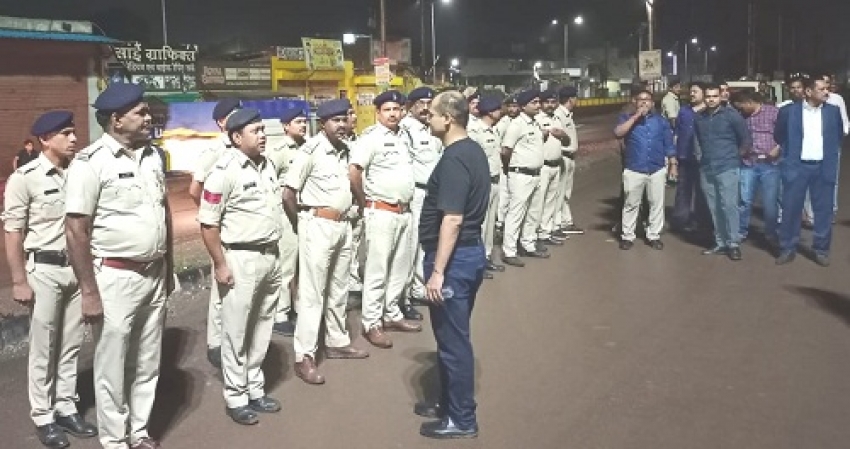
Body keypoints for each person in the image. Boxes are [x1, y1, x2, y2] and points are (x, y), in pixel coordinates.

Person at [65, 82, 174, 449]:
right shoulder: (90, 163)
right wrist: (89, 292)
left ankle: (138, 432)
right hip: (114, 276)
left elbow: (164, 213)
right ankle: (114, 440)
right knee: (112, 364)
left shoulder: (153, 156)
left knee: (147, 360)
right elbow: (76, 230)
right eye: (140, 112)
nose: (148, 117)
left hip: (154, 274)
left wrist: (168, 268)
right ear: (116, 120)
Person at [3, 111, 98, 448]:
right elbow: (13, 231)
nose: (74, 138)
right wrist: (19, 280)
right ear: (45, 139)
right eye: (65, 133)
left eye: (74, 132)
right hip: (44, 271)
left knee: (71, 343)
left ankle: (66, 406)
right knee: (44, 346)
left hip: (78, 269)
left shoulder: (81, 173)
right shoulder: (25, 178)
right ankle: (43, 415)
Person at [197, 108, 284, 425]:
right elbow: (208, 224)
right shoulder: (223, 171)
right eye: (255, 131)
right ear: (236, 137)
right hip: (240, 258)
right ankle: (236, 396)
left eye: (263, 130)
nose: (262, 136)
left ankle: (255, 388)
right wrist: (220, 264)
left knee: (262, 325)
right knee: (236, 331)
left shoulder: (267, 165)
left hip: (270, 255)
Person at [416, 90, 489, 439]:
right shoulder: (472, 151)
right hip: (466, 256)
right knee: (450, 337)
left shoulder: (455, 159)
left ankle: (461, 419)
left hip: (454, 261)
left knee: (453, 343)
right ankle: (447, 403)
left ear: (447, 119)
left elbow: (453, 219)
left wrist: (438, 272)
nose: (427, 118)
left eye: (431, 113)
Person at [285, 99, 369, 385]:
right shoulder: (310, 150)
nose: (342, 125)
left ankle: (337, 341)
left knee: (339, 287)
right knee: (312, 293)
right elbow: (288, 194)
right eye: (336, 120)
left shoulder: (345, 150)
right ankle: (304, 356)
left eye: (344, 119)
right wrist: (303, 225)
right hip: (317, 224)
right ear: (322, 124)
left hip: (342, 224)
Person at [350, 90, 423, 350]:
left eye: (397, 109)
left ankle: (392, 313)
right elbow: (354, 172)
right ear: (378, 113)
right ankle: (372, 322)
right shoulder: (371, 138)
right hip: (380, 211)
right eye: (387, 109)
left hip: (403, 212)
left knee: (400, 268)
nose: (393, 114)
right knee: (377, 270)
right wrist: (363, 203)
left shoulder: (404, 136)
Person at [189, 97, 242, 369]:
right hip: (220, 226)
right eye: (233, 114)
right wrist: (212, 217)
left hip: (239, 227)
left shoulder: (242, 147)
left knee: (234, 287)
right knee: (221, 286)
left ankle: (234, 339)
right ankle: (215, 343)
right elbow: (195, 190)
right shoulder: (214, 151)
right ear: (221, 122)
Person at [774, 76, 845, 266]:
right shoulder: (789, 112)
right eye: (822, 89)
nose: (826, 92)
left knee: (824, 211)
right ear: (808, 91)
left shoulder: (833, 111)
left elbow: (838, 135)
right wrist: (789, 158)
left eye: (827, 88)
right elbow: (779, 135)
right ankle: (787, 248)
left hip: (823, 167)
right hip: (797, 167)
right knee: (791, 210)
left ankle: (821, 249)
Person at [694, 84, 752, 261]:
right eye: (708, 96)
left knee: (729, 206)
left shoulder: (731, 116)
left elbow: (745, 139)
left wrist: (736, 156)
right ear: (704, 98)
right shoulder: (699, 117)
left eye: (714, 96)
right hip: (707, 167)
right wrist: (699, 157)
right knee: (714, 207)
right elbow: (696, 139)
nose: (711, 99)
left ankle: (733, 244)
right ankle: (720, 242)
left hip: (727, 166)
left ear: (720, 97)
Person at [614, 89, 676, 251]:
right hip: (634, 168)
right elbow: (618, 132)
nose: (644, 102)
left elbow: (668, 143)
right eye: (640, 99)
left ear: (652, 103)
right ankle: (627, 236)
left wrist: (673, 163)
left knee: (656, 204)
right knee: (631, 204)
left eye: (647, 99)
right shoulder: (626, 118)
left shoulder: (661, 121)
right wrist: (635, 117)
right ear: (634, 102)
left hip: (656, 168)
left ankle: (653, 235)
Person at [401, 86, 442, 315]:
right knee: (412, 246)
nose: (426, 108)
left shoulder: (430, 129)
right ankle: (406, 295)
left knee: (426, 243)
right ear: (411, 106)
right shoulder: (406, 130)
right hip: (416, 193)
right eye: (421, 104)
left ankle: (418, 288)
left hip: (431, 193)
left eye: (429, 103)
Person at [265, 107, 306, 337]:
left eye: (304, 121)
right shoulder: (278, 151)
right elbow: (269, 184)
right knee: (287, 265)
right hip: (285, 214)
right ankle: (280, 314)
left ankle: (298, 308)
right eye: (298, 122)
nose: (303, 125)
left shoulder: (307, 147)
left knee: (302, 265)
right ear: (285, 126)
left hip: (304, 212)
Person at [500, 89, 548, 267]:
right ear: (523, 106)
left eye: (538, 102)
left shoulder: (535, 124)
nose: (538, 105)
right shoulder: (517, 125)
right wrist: (511, 169)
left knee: (533, 212)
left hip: (535, 174)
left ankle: (528, 244)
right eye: (534, 103)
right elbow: (506, 150)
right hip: (520, 174)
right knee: (516, 213)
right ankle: (509, 251)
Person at [731, 90, 781, 247]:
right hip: (748, 163)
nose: (740, 109)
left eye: (741, 106)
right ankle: (741, 232)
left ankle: (771, 233)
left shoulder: (773, 112)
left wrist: (778, 148)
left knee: (770, 202)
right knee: (744, 200)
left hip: (769, 164)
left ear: (750, 102)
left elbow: (786, 133)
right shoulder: (741, 117)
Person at [467, 96, 505, 276]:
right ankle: (476, 262)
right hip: (483, 183)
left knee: (490, 224)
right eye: (498, 109)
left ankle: (486, 256)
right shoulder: (475, 131)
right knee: (480, 225)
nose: (500, 112)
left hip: (496, 181)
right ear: (490, 112)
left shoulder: (493, 130)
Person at [671, 82, 710, 232]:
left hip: (702, 159)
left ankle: (702, 221)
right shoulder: (684, 111)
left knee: (702, 191)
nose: (692, 94)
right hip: (684, 157)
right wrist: (673, 157)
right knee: (683, 190)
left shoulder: (709, 112)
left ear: (703, 93)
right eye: (691, 91)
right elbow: (676, 133)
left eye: (695, 91)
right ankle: (680, 220)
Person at [534, 89, 569, 247]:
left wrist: (562, 134)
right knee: (539, 203)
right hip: (543, 166)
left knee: (550, 202)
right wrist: (544, 133)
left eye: (553, 102)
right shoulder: (537, 119)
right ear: (541, 104)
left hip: (556, 165)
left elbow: (567, 140)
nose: (550, 105)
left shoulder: (557, 119)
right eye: (547, 102)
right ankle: (533, 235)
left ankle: (545, 233)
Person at [553, 86, 584, 236]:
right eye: (575, 97)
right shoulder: (558, 114)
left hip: (570, 157)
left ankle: (565, 222)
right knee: (560, 192)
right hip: (563, 157)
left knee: (566, 192)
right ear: (571, 99)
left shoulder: (567, 114)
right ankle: (557, 224)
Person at [495, 94, 520, 232]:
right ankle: (500, 223)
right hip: (504, 163)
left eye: (515, 106)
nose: (512, 109)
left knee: (514, 195)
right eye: (510, 106)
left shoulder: (521, 121)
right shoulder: (503, 123)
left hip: (517, 163)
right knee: (504, 195)